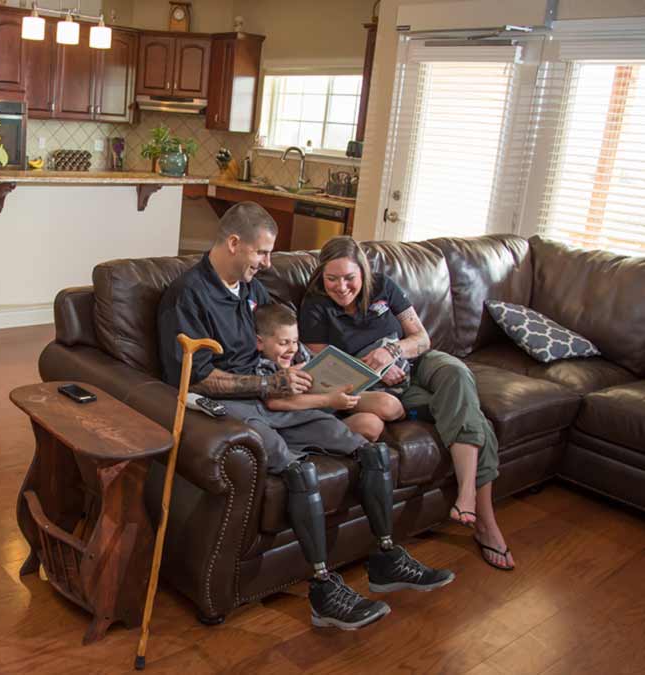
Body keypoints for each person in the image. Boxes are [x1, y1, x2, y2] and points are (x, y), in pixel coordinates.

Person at [157, 202, 455, 632]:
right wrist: (268, 386)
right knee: (301, 473)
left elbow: (281, 344)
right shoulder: (188, 296)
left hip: (275, 394)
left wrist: (294, 370)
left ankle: (385, 557)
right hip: (234, 407)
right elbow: (194, 380)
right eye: (262, 253)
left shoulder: (252, 290)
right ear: (234, 243)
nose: (267, 262)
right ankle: (322, 589)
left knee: (369, 452)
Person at [299, 236, 515, 571]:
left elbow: (421, 338)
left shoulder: (385, 286)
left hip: (418, 363)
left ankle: (467, 494)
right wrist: (375, 371)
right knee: (473, 417)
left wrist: (392, 351)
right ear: (320, 276)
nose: (341, 287)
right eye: (332, 279)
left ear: (364, 273)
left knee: (456, 374)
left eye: (349, 278)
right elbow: (324, 369)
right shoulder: (315, 306)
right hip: (376, 383)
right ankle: (484, 520)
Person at [253, 303, 389, 443]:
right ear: (260, 342)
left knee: (388, 404)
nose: (292, 349)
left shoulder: (299, 351)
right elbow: (274, 402)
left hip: (326, 401)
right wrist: (330, 399)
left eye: (294, 341)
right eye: (283, 343)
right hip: (303, 419)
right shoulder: (261, 367)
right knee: (371, 425)